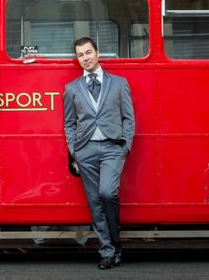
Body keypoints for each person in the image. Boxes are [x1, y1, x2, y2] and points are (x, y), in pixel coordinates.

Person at [63, 37, 135, 270]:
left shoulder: (119, 83)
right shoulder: (72, 88)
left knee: (107, 193)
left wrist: (125, 146)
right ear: (77, 59)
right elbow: (69, 123)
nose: (85, 58)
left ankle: (115, 243)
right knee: (95, 203)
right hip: (86, 152)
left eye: (88, 52)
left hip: (113, 148)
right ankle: (107, 252)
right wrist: (75, 150)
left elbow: (129, 118)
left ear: (98, 52)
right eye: (80, 55)